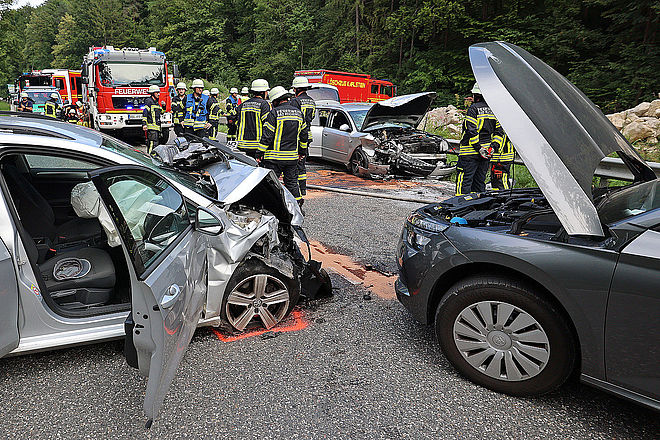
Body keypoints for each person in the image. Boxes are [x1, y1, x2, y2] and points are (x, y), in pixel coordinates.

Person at [257, 86, 308, 206]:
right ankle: (297, 207)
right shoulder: (299, 114)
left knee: (271, 184)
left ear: (276, 100)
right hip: (292, 158)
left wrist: (259, 153)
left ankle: (271, 207)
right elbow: (304, 135)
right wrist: (302, 152)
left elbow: (267, 136)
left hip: (274, 159)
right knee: (292, 183)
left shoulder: (274, 113)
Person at [455, 82, 497, 195]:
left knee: (464, 181)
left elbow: (471, 131)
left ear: (476, 95)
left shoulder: (473, 109)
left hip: (469, 153)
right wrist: (493, 147)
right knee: (479, 182)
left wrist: (478, 147)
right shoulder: (494, 110)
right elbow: (499, 132)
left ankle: (460, 206)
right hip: (486, 153)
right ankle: (478, 207)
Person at [289, 76, 316, 198]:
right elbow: (312, 117)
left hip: (297, 135)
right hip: (307, 135)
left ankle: (295, 189)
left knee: (294, 163)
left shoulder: (295, 101)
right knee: (302, 163)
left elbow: (293, 118)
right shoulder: (312, 101)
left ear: (296, 89)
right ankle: (303, 187)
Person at [235, 79, 271, 157]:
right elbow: (267, 125)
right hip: (256, 145)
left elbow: (236, 119)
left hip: (242, 145)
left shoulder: (243, 104)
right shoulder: (264, 104)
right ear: (262, 92)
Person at [490, 122, 515, 190]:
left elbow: (501, 139)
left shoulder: (504, 123)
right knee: (496, 184)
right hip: (499, 157)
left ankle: (505, 198)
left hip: (502, 158)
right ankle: (498, 199)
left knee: (502, 183)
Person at [142, 84, 162, 155]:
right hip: (151, 127)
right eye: (157, 93)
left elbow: (161, 112)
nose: (159, 94)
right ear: (152, 93)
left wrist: (164, 106)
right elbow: (145, 113)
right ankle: (149, 158)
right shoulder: (149, 101)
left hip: (157, 127)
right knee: (151, 144)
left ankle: (154, 157)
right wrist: (144, 124)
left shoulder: (156, 102)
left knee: (156, 144)